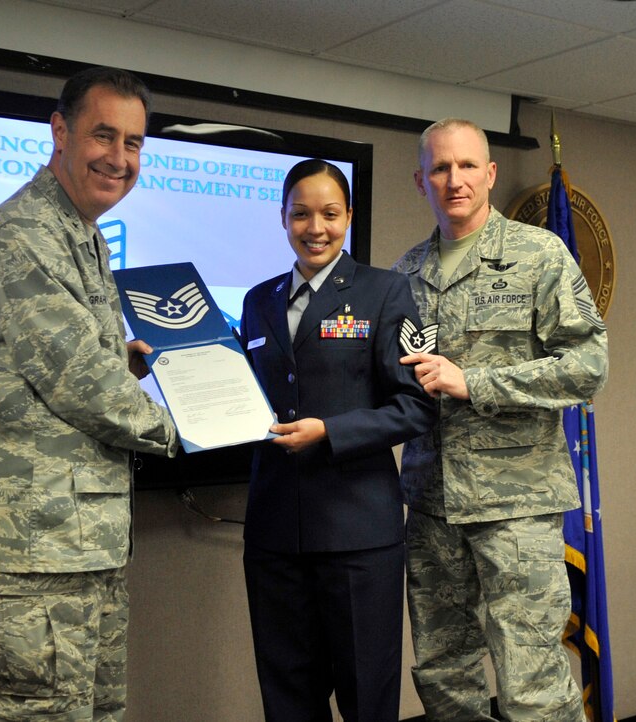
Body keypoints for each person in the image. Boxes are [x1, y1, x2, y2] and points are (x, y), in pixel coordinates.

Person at [0, 66, 178, 722]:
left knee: (96, 713)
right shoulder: (26, 236)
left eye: (134, 142)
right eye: (104, 136)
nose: (119, 157)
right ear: (60, 131)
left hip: (83, 540)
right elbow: (82, 384)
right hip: (38, 548)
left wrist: (128, 361)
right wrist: (189, 426)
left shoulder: (81, 232)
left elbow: (75, 362)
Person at [394, 118, 609, 722]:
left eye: (467, 166)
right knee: (441, 672)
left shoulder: (539, 255)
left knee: (532, 681)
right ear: (421, 180)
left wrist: (477, 382)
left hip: (517, 505)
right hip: (432, 504)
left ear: (489, 174)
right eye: (440, 168)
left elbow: (590, 365)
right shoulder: (403, 273)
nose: (454, 179)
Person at [239, 158, 437, 721]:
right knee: (287, 699)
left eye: (329, 213)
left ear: (349, 216)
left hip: (358, 538)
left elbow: (416, 405)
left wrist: (331, 432)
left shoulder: (385, 292)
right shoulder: (259, 301)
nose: (315, 227)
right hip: (276, 535)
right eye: (301, 214)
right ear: (282, 218)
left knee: (366, 697)